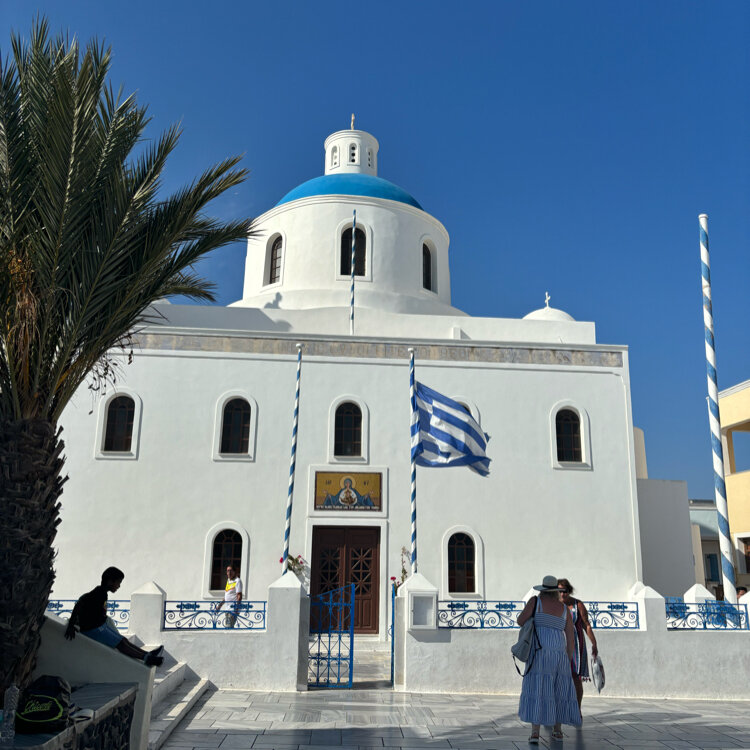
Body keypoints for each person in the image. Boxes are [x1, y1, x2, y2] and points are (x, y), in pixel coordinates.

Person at [517, 575, 581, 743]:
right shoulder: (564, 609)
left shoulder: (535, 602)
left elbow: (520, 621)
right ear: (556, 591)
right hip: (559, 654)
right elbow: (570, 637)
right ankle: (557, 731)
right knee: (559, 690)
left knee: (538, 688)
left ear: (542, 589)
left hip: (539, 652)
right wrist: (568, 658)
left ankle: (535, 733)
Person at [65, 566, 163, 666]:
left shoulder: (102, 593)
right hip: (93, 629)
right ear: (110, 581)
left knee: (123, 640)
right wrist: (71, 625)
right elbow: (80, 603)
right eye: (118, 582)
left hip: (100, 626)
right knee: (120, 644)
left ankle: (148, 654)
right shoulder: (99, 592)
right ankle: (147, 658)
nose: (119, 586)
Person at [557, 578, 598, 710]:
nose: (562, 594)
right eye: (559, 591)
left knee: (576, 677)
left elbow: (587, 625)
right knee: (558, 676)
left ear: (569, 591)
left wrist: (594, 644)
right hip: (559, 644)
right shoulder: (555, 605)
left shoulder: (577, 605)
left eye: (565, 591)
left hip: (576, 645)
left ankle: (577, 709)